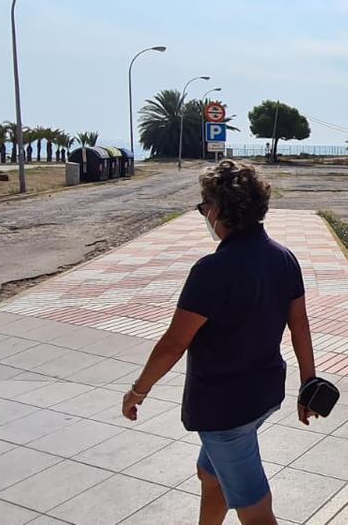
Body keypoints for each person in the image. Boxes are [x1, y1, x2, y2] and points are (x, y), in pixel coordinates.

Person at [123, 160, 318, 525]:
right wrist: (309, 382)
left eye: (202, 207)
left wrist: (138, 390)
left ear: (215, 210)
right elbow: (300, 325)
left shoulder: (213, 271)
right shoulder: (283, 258)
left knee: (255, 509)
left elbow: (173, 344)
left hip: (226, 411)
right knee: (211, 476)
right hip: (262, 395)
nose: (203, 214)